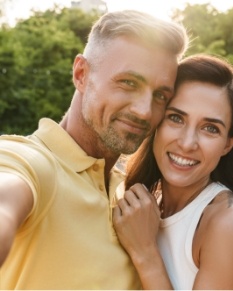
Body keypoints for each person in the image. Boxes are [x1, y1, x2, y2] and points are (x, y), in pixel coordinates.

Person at [0, 10, 189, 290]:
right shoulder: (32, 164)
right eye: (128, 83)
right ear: (81, 74)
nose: (145, 111)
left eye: (160, 95)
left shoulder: (136, 198)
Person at [113, 54, 233, 290]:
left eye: (210, 128)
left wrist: (146, 254)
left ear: (229, 143)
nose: (188, 143)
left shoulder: (231, 222)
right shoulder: (142, 205)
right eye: (176, 118)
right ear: (157, 120)